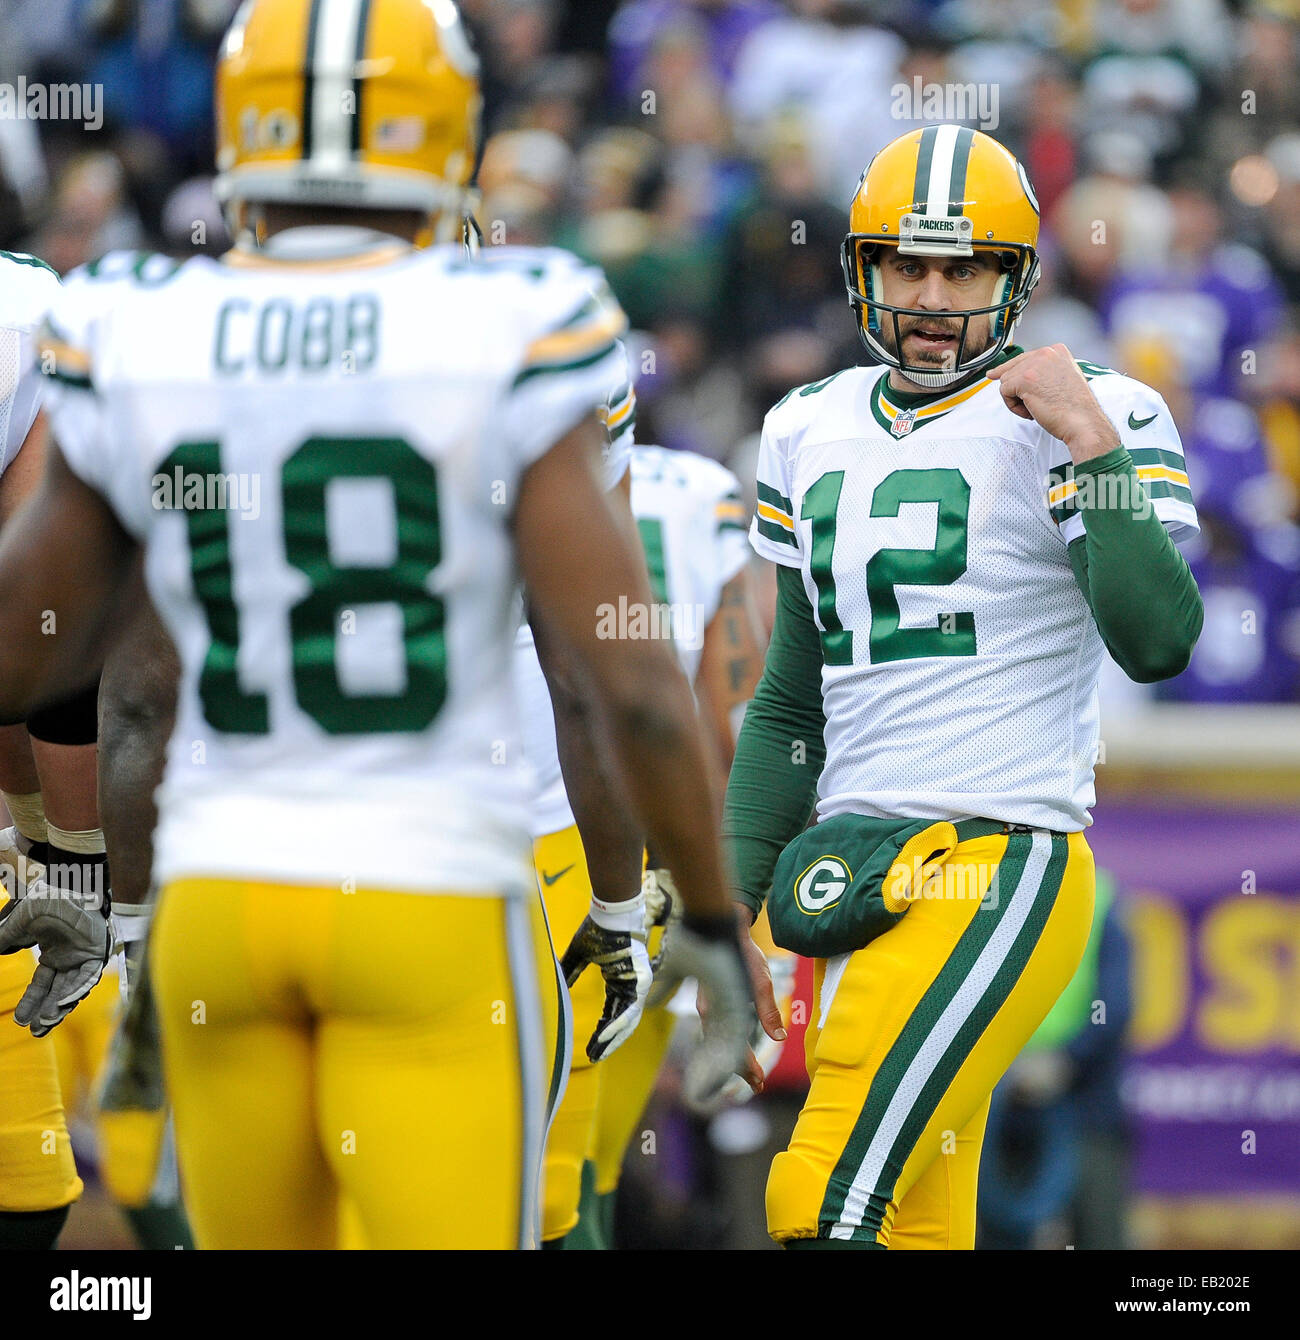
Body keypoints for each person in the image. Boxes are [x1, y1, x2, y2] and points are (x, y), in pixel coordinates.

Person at [0, 0, 751, 1250]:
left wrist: (115, 903)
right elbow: (604, 677)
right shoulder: (519, 321)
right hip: (431, 890)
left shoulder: (138, 326)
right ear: (446, 136)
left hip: (224, 903)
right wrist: (664, 909)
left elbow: (97, 678)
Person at [723, 124, 1204, 1248]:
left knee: (817, 1196)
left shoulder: (1101, 408)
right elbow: (792, 702)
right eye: (906, 263)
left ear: (1016, 277)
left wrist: (1088, 445)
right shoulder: (806, 424)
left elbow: (1158, 639)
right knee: (916, 1227)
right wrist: (731, 913)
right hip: (852, 868)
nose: (932, 294)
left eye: (965, 266)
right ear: (861, 268)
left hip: (999, 860)